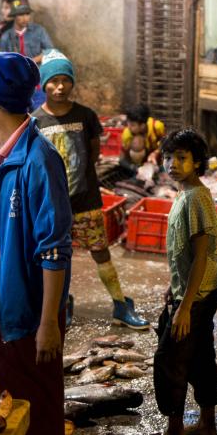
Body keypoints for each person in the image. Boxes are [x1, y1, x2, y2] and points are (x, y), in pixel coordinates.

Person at [0, 52, 72, 435]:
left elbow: (54, 248)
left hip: (27, 308)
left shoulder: (40, 160)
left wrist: (48, 323)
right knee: (0, 403)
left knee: (35, 404)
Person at [32, 53, 149, 330]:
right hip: (50, 204)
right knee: (55, 257)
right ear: (43, 85)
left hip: (85, 200)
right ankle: (62, 302)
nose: (60, 87)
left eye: (65, 80)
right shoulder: (35, 121)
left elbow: (94, 153)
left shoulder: (85, 115)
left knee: (100, 252)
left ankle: (120, 304)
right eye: (53, 81)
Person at [154, 128, 217, 435]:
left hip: (199, 295)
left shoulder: (196, 197)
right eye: (168, 157)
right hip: (197, 291)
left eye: (181, 158)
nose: (172, 163)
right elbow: (185, 255)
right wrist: (175, 287)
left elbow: (201, 255)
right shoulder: (187, 192)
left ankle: (175, 429)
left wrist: (184, 306)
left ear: (198, 163)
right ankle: (207, 424)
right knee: (198, 354)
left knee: (170, 359)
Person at [0, 0, 54, 64]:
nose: (25, 18)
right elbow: (2, 59)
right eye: (21, 14)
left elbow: (50, 51)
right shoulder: (6, 36)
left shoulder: (39, 31)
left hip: (37, 69)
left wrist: (33, 61)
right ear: (15, 16)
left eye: (27, 14)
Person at [121, 104, 167, 170]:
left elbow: (166, 143)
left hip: (158, 163)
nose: (129, 127)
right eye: (128, 123)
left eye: (133, 125)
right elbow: (122, 159)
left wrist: (155, 153)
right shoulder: (127, 134)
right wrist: (135, 168)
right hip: (139, 166)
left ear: (142, 125)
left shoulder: (157, 127)